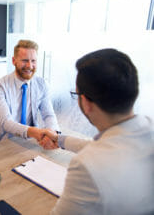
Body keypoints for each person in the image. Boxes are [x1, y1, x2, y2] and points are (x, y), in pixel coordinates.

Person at [39, 49, 154, 214]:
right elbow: (107, 148)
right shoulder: (147, 130)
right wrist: (59, 139)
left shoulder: (86, 166)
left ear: (85, 102)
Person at [0, 39, 60, 144]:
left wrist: (53, 133)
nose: (29, 66)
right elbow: (6, 123)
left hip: (30, 141)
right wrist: (36, 132)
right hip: (3, 142)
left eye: (33, 61)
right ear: (14, 61)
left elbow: (48, 115)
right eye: (25, 60)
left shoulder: (41, 84)